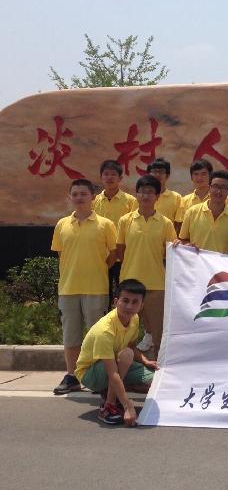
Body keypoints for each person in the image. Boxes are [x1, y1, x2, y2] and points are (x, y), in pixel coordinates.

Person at [51, 179, 117, 395]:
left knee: (97, 337)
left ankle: (98, 379)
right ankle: (72, 377)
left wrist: (97, 269)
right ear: (70, 197)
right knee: (71, 336)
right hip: (68, 288)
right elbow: (61, 254)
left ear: (93, 197)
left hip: (96, 288)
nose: (79, 198)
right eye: (75, 194)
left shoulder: (106, 224)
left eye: (83, 194)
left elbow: (113, 256)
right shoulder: (62, 225)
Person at [74, 279, 158, 426]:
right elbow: (112, 372)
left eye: (135, 302)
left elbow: (131, 346)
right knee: (126, 356)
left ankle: (113, 391)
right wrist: (128, 406)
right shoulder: (105, 330)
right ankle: (109, 405)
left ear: (141, 305)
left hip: (117, 363)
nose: (129, 306)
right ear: (115, 302)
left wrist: (145, 361)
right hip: (91, 373)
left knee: (155, 382)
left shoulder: (134, 319)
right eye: (125, 301)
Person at [117, 175, 177, 358]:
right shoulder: (125, 220)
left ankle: (160, 369)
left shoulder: (166, 223)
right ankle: (127, 369)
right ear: (136, 194)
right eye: (142, 191)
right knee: (126, 333)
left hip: (156, 285)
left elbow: (172, 252)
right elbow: (120, 251)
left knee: (158, 334)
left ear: (157, 196)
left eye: (150, 192)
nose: (145, 196)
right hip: (130, 284)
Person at [92, 160, 138, 302]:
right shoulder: (94, 201)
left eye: (113, 174)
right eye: (106, 174)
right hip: (101, 256)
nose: (109, 177)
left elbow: (134, 227)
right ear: (101, 177)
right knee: (102, 295)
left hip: (123, 256)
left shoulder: (130, 201)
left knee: (124, 294)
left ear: (120, 178)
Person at [177, 170, 228, 253]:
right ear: (209, 188)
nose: (219, 191)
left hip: (222, 262)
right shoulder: (191, 212)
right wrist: (188, 245)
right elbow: (183, 240)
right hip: (196, 261)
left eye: (223, 187)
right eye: (215, 186)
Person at [175, 159, 213, 230]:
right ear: (191, 177)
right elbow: (180, 226)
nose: (199, 178)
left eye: (203, 174)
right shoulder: (184, 200)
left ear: (210, 176)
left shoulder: (218, 199)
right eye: (196, 174)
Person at [147, 158, 181, 223]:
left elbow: (178, 223)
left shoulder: (176, 197)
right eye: (154, 171)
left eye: (161, 171)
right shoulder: (142, 196)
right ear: (148, 175)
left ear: (167, 176)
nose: (157, 174)